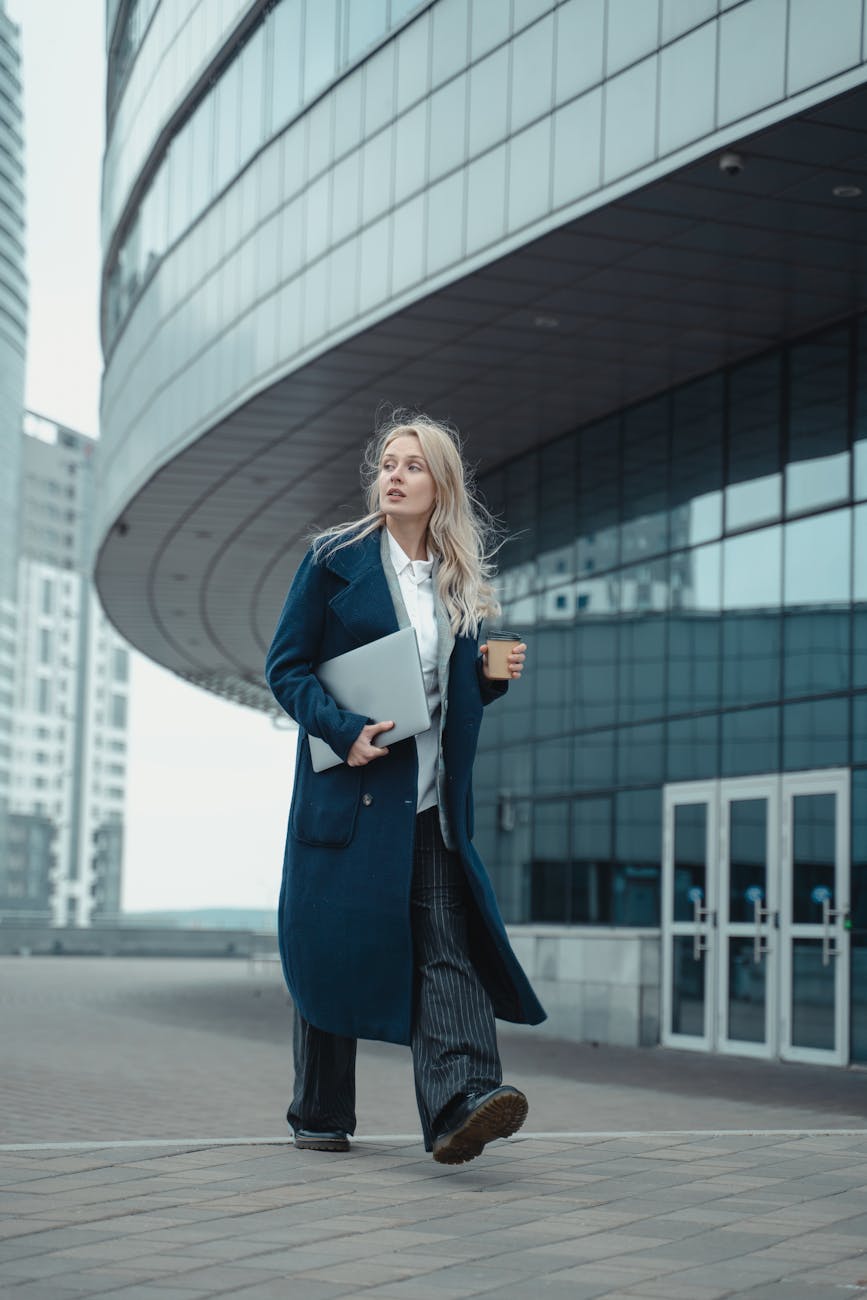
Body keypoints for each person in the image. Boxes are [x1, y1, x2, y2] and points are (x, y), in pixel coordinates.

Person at [265, 413, 545, 1165]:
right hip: (349, 795)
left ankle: (462, 1100)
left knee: (445, 944)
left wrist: (488, 680)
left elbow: (448, 704)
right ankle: (320, 1110)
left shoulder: (457, 584)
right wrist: (341, 727)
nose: (392, 475)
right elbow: (285, 669)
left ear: (440, 484)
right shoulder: (334, 560)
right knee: (330, 948)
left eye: (411, 466)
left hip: (427, 802)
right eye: (386, 463)